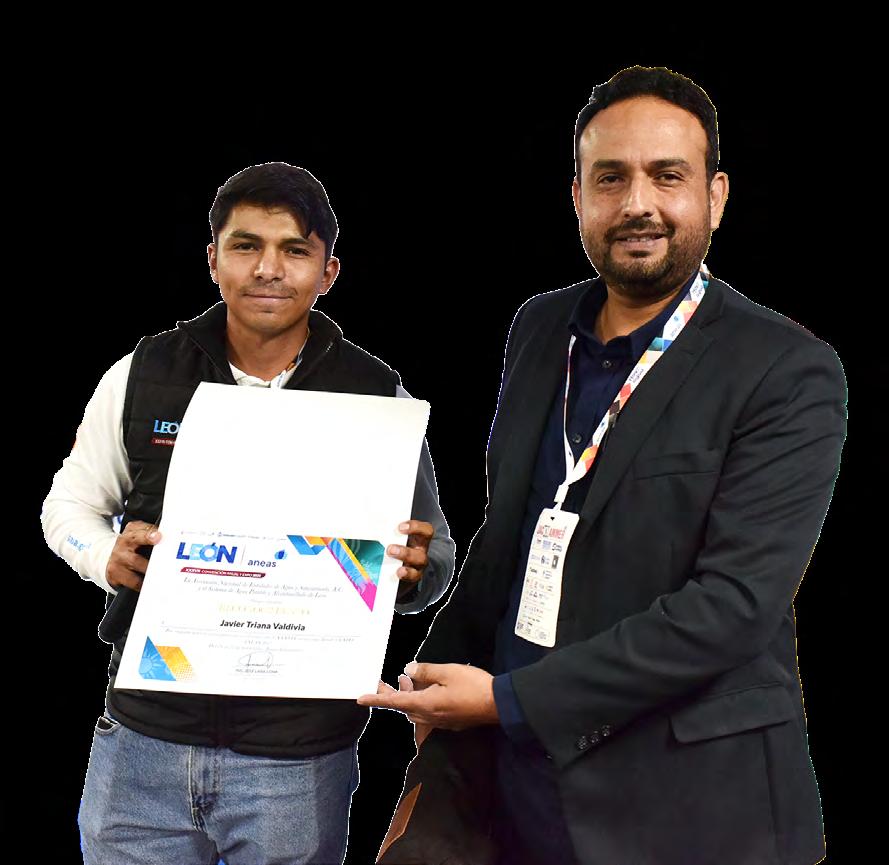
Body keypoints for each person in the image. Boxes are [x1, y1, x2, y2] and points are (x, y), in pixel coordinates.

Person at [359, 66, 847, 865]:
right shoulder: (539, 326)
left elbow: (732, 606)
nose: (636, 204)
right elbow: (510, 531)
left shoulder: (786, 369)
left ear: (715, 195)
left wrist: (506, 699)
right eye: (610, 177)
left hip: (691, 806)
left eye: (667, 176)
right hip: (516, 790)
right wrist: (433, 671)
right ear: (577, 195)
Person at [41, 162, 456, 865]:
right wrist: (103, 555)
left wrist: (414, 572)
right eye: (245, 246)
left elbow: (434, 549)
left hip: (296, 759)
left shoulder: (377, 395)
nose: (268, 268)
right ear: (212, 259)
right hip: (144, 741)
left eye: (294, 250)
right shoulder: (143, 373)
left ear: (328, 271)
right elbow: (70, 505)